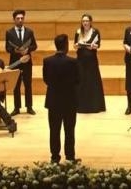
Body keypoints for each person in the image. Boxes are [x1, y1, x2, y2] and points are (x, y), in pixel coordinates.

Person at [43, 34, 80, 164]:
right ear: (66, 46)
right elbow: (78, 80)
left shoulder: (47, 61)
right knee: (69, 130)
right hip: (69, 101)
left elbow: (46, 80)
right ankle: (70, 157)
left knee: (54, 130)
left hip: (53, 101)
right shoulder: (73, 62)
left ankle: (54, 157)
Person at [5, 9, 38, 115]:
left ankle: (29, 107)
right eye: (18, 18)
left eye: (22, 18)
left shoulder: (29, 32)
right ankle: (17, 107)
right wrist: (15, 50)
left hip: (27, 61)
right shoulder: (9, 32)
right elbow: (7, 47)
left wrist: (27, 50)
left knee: (28, 84)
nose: (20, 20)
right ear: (14, 19)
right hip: (15, 62)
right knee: (16, 85)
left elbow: (34, 45)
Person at [73, 13, 106, 113]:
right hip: (80, 61)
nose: (85, 23)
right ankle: (80, 106)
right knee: (81, 82)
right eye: (83, 21)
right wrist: (76, 46)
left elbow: (98, 45)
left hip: (91, 61)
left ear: (90, 22)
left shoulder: (95, 32)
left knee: (92, 82)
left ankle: (94, 106)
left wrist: (94, 46)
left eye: (87, 21)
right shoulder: (78, 32)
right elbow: (75, 45)